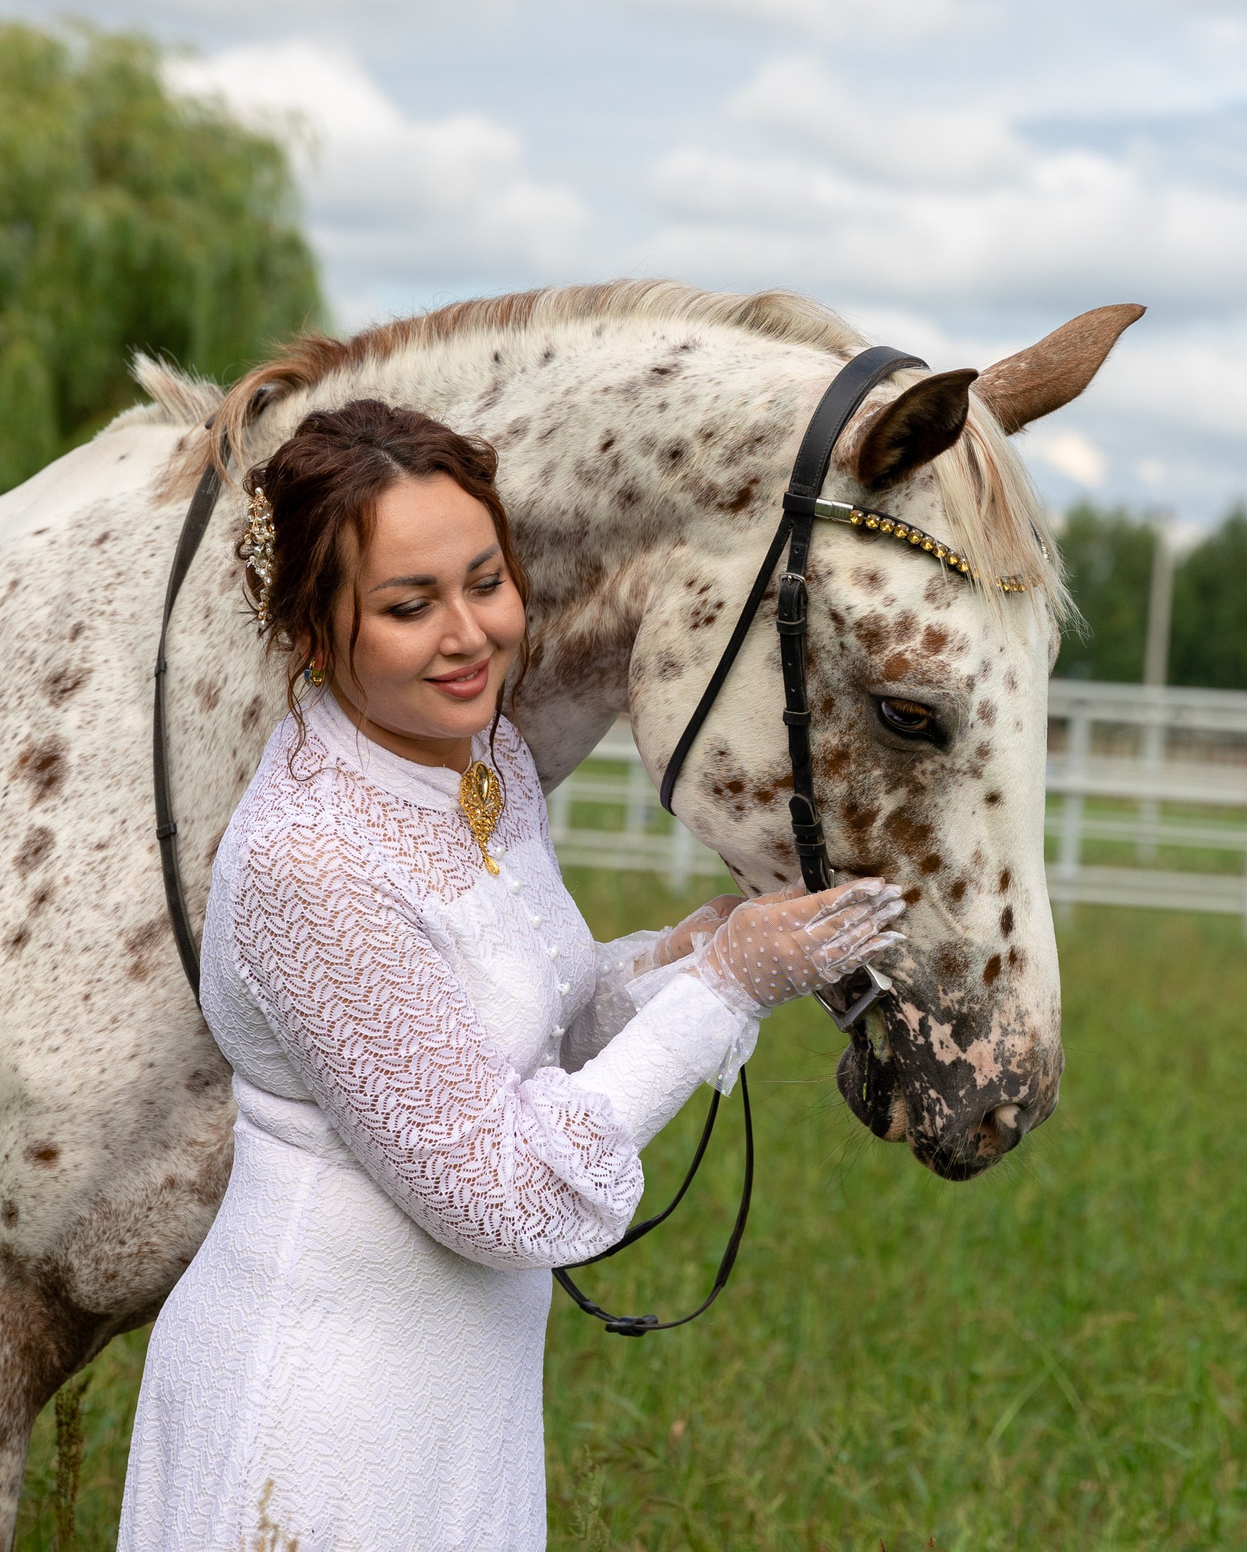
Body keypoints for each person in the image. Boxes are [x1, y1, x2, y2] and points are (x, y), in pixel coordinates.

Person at [116, 397, 905, 1551]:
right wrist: (724, 990)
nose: (469, 634)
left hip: (451, 1392)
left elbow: (522, 1021)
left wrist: (681, 956)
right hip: (322, 1407)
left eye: (484, 582)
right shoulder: (311, 864)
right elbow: (504, 1192)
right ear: (309, 633)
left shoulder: (480, 760)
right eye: (406, 605)